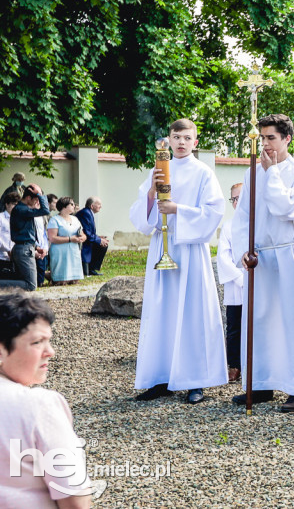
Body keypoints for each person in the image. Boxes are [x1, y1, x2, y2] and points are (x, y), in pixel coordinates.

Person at [131, 119, 227, 406]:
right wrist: (151, 192)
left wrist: (178, 209)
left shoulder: (203, 173)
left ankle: (195, 380)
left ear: (195, 142)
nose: (182, 142)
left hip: (189, 249)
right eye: (177, 137)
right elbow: (140, 217)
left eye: (187, 138)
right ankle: (160, 378)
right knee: (162, 311)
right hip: (162, 244)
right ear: (168, 140)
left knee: (193, 312)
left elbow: (214, 211)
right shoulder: (156, 170)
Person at [231, 114, 294, 413]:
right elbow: (242, 217)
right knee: (260, 320)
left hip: (289, 254)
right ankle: (261, 384)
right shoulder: (251, 174)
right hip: (260, 257)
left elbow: (286, 208)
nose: (265, 144)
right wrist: (243, 248)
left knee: (293, 321)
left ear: (287, 138)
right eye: (262, 138)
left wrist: (272, 173)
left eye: (271, 138)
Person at [1, 293, 94, 506]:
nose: (50, 352)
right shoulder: (38, 405)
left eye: (48, 341)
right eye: (37, 342)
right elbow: (74, 497)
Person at [218, 182, 244, 383]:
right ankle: (234, 365)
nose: (237, 202)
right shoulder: (228, 226)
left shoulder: (258, 223)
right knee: (234, 326)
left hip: (258, 283)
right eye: (233, 199)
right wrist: (240, 277)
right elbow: (223, 258)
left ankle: (254, 364)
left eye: (240, 197)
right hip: (236, 285)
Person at [9, 183, 49, 291]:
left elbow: (24, 232)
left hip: (24, 248)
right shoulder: (22, 209)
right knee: (31, 285)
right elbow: (45, 210)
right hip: (24, 250)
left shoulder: (22, 209)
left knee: (21, 280)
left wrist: (36, 247)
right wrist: (40, 194)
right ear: (28, 198)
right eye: (36, 199)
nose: (37, 202)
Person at [46, 198, 86, 286]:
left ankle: (73, 279)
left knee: (74, 278)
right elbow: (52, 238)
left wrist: (82, 237)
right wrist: (70, 239)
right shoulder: (55, 220)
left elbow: (82, 233)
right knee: (61, 278)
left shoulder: (75, 219)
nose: (74, 206)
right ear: (64, 206)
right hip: (60, 250)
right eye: (71, 204)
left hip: (74, 249)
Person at [76, 198, 108, 276]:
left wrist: (99, 237)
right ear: (92, 205)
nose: (101, 206)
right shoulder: (86, 213)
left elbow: (89, 232)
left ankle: (92, 268)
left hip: (87, 239)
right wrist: (99, 240)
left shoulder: (88, 212)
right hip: (82, 241)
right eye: (99, 204)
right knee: (101, 244)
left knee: (103, 245)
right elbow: (87, 232)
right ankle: (90, 269)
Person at [0, 191, 18, 278]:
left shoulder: (17, 219)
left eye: (17, 205)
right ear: (7, 204)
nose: (15, 207)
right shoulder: (1, 217)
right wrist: (8, 250)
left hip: (15, 256)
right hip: (2, 256)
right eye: (13, 204)